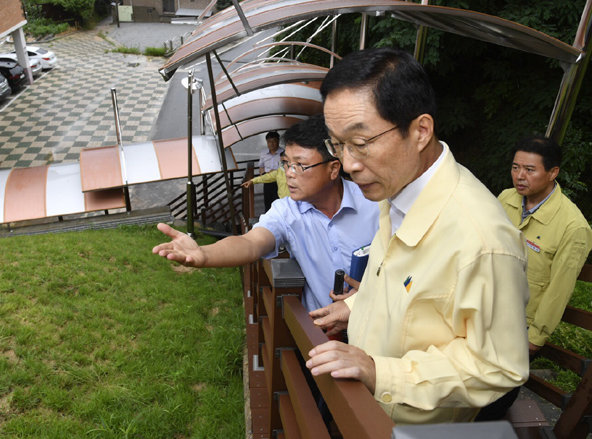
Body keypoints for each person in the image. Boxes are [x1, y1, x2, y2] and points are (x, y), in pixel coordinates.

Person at [305, 48, 529, 424]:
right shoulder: (397, 189)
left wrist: (381, 373)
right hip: (363, 409)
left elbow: (498, 365)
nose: (348, 164)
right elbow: (404, 289)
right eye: (337, 144)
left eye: (360, 143)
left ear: (421, 131)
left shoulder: (482, 241)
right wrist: (355, 308)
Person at [152, 114, 379, 312]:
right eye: (285, 163)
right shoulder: (286, 212)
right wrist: (204, 254)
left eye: (299, 165)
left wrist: (361, 302)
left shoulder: (376, 205)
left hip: (381, 328)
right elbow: (251, 242)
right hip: (323, 338)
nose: (289, 173)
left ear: (333, 169)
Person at [498, 135, 592, 355]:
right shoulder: (505, 198)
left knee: (500, 388)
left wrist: (536, 337)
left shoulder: (573, 226)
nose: (520, 176)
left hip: (520, 324)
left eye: (530, 170)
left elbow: (560, 289)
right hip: (485, 307)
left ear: (553, 173)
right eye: (515, 167)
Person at [258, 131, 283, 210]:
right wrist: (263, 174)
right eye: (269, 142)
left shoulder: (284, 152)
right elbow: (261, 166)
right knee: (268, 202)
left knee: (279, 201)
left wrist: (275, 172)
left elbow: (286, 167)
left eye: (274, 141)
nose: (271, 144)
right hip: (267, 180)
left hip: (279, 181)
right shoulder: (263, 153)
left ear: (278, 141)